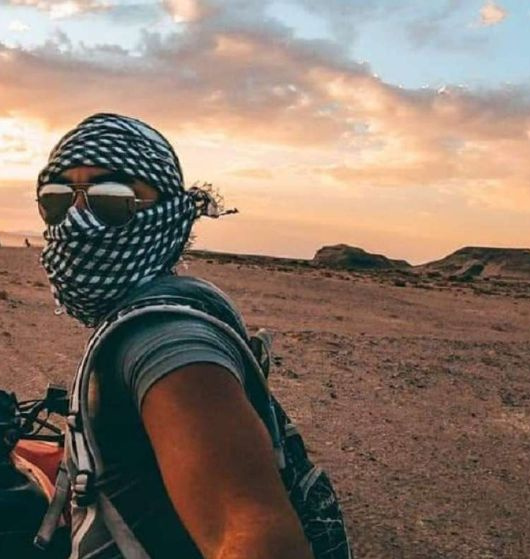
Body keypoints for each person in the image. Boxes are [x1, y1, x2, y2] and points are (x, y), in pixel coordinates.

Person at [32, 113, 350, 559]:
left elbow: (254, 536)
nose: (76, 221)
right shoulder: (177, 302)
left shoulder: (161, 339)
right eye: (57, 200)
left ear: (169, 211)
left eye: (110, 199)